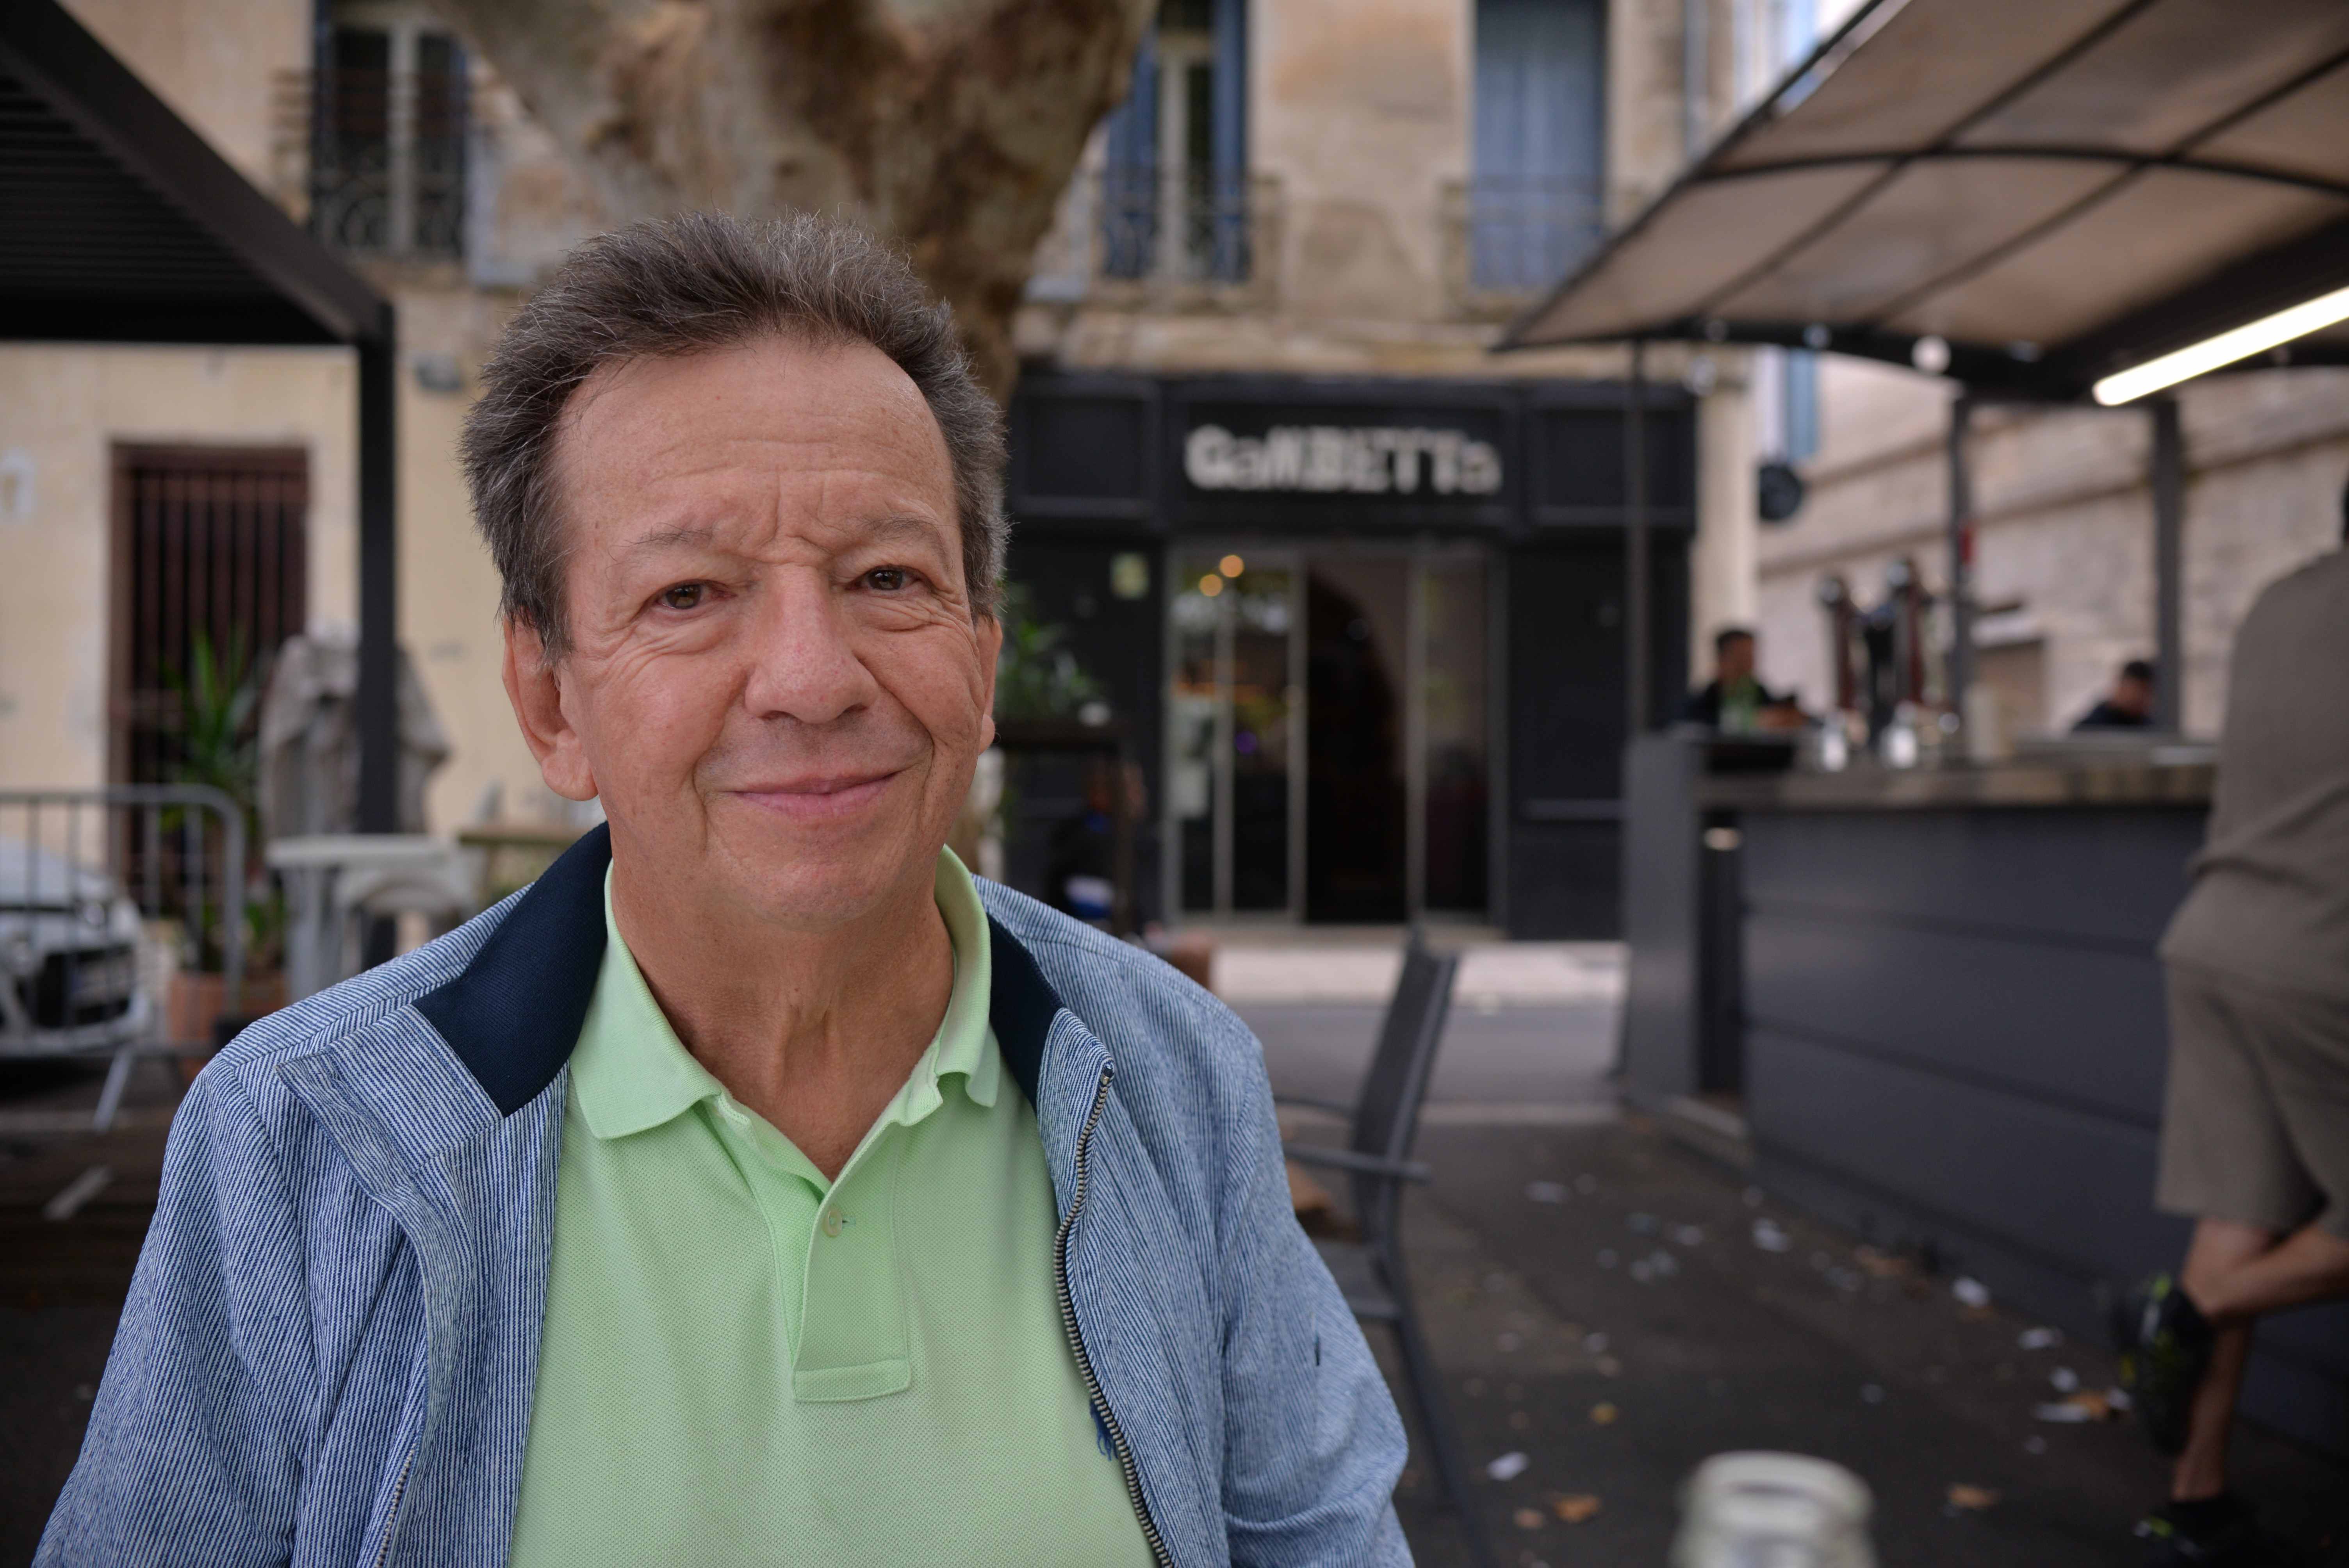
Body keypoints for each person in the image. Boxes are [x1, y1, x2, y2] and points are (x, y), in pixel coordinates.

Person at [41, 214, 1409, 1565]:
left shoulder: (1174, 1078)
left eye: (886, 576)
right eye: (689, 594)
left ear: (980, 665)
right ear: (549, 698)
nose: (811, 679)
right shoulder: (297, 1143)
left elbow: (1318, 1538)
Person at [2121, 482, 2349, 1566]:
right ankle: (2192, 1312)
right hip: (2325, 951)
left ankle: (2195, 1501)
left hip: (2213, 934)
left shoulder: (2275, 602)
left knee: (2240, 1209)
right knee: (2244, 1257)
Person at [1681, 625, 1803, 732]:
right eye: (1740, 658)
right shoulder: (1701, 703)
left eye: (1750, 657)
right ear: (1721, 659)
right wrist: (1754, 723)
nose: (1747, 665)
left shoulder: (1760, 693)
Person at [2072, 657, 2158, 731]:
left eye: (2147, 691)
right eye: (2138, 689)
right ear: (2122, 686)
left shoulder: (2149, 727)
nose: (2141, 697)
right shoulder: (2091, 727)